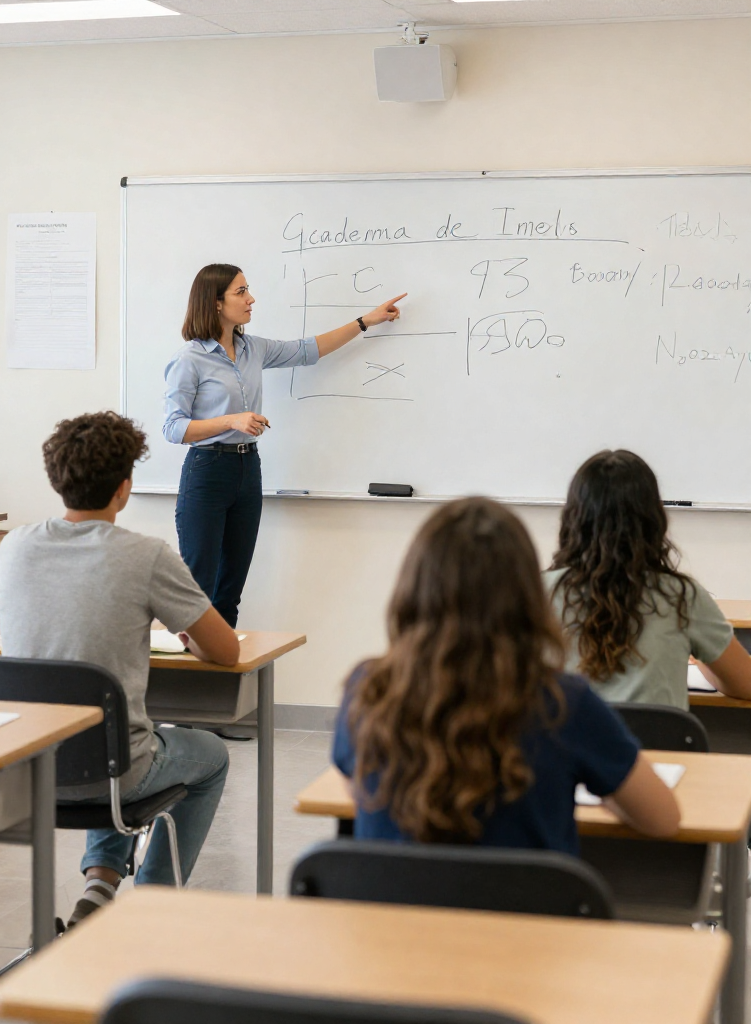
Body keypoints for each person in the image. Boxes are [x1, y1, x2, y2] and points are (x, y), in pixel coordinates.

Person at [0, 411, 239, 928]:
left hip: (25, 765)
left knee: (105, 738)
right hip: (111, 769)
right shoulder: (145, 555)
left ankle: (99, 890)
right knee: (208, 755)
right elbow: (227, 652)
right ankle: (151, 904)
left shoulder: (13, 546)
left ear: (56, 480)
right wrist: (188, 636)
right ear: (124, 488)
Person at [332, 496, 680, 851]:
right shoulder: (565, 704)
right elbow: (663, 819)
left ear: (412, 590)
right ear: (527, 598)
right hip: (528, 891)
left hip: (393, 890)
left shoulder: (367, 690)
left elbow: (357, 793)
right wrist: (607, 794)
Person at [163, 263, 406, 627]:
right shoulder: (190, 359)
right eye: (241, 292)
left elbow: (309, 350)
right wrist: (231, 420)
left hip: (247, 470)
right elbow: (173, 428)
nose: (251, 299)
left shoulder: (252, 348)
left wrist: (365, 321)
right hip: (207, 472)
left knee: (229, 594)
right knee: (198, 593)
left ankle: (223, 663)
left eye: (248, 289)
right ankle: (191, 664)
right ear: (215, 303)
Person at [547, 450, 751, 708]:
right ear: (654, 519)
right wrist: (699, 654)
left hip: (570, 736)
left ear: (573, 517)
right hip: (656, 737)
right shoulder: (682, 596)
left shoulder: (539, 593)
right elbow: (746, 684)